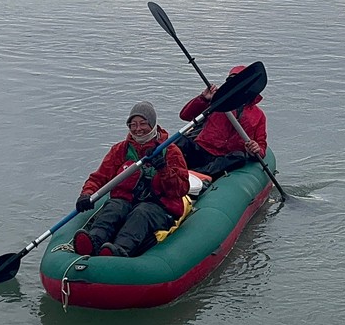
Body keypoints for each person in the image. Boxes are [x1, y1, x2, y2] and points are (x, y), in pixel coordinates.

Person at [72, 101, 189, 257]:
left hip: (158, 208)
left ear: (153, 125)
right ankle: (93, 242)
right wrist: (87, 194)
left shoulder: (170, 151)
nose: (138, 129)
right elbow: (99, 177)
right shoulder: (120, 150)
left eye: (143, 124)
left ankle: (119, 250)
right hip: (126, 202)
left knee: (141, 213)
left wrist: (163, 169)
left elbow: (181, 188)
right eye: (133, 125)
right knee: (114, 207)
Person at [177, 65, 267, 178]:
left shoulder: (258, 115)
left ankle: (198, 174)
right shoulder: (216, 102)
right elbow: (185, 115)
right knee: (181, 141)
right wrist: (203, 99)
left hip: (225, 158)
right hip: (202, 150)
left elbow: (261, 145)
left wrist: (256, 149)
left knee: (239, 157)